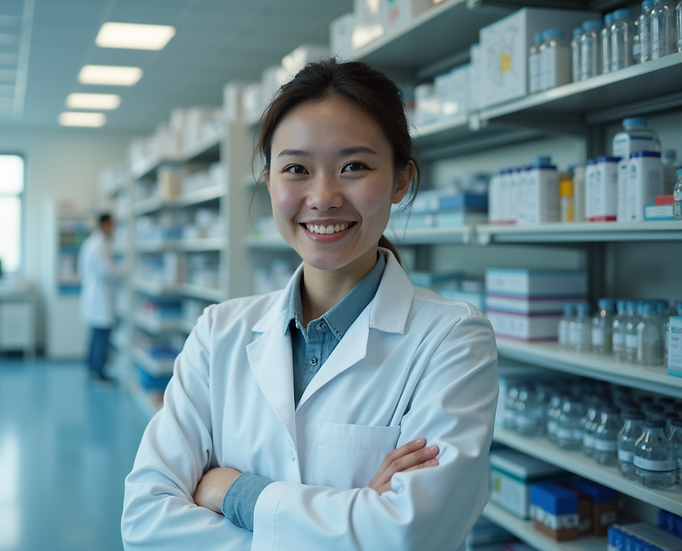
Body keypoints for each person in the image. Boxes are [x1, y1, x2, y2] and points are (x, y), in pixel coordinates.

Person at [121, 59, 498, 550]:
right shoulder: (219, 332)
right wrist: (356, 514)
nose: (322, 197)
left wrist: (232, 491)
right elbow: (146, 524)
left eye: (354, 166)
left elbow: (409, 533)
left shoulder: (452, 341)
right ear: (270, 181)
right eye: (296, 168)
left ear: (402, 180)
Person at [78, 213, 120, 384]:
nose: (114, 230)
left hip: (94, 294)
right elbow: (106, 271)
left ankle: (92, 368)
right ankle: (99, 373)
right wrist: (125, 270)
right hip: (99, 296)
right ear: (105, 225)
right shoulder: (98, 245)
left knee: (96, 334)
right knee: (101, 335)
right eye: (112, 226)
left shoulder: (92, 243)